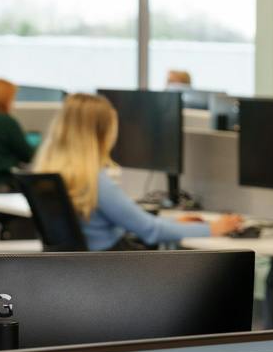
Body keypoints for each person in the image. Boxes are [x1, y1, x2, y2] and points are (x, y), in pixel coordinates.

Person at [32, 93, 239, 250]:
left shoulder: (53, 175)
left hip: (82, 273)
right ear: (101, 134)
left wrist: (174, 223)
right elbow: (151, 231)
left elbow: (135, 224)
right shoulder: (96, 182)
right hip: (114, 272)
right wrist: (214, 228)